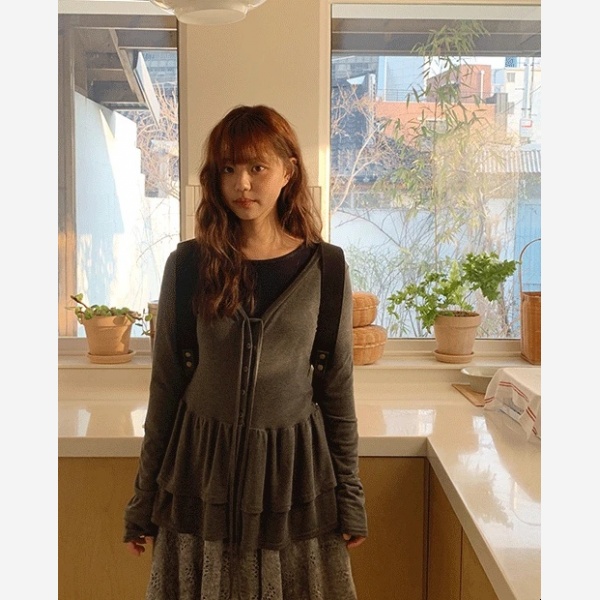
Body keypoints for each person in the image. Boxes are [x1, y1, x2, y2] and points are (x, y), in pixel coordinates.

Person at [123, 104, 368, 599]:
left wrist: (350, 496)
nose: (242, 184)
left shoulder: (327, 268)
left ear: (288, 171)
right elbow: (166, 388)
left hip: (292, 479)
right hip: (201, 475)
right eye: (228, 169)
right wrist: (142, 500)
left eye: (257, 167)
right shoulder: (187, 266)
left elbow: (336, 388)